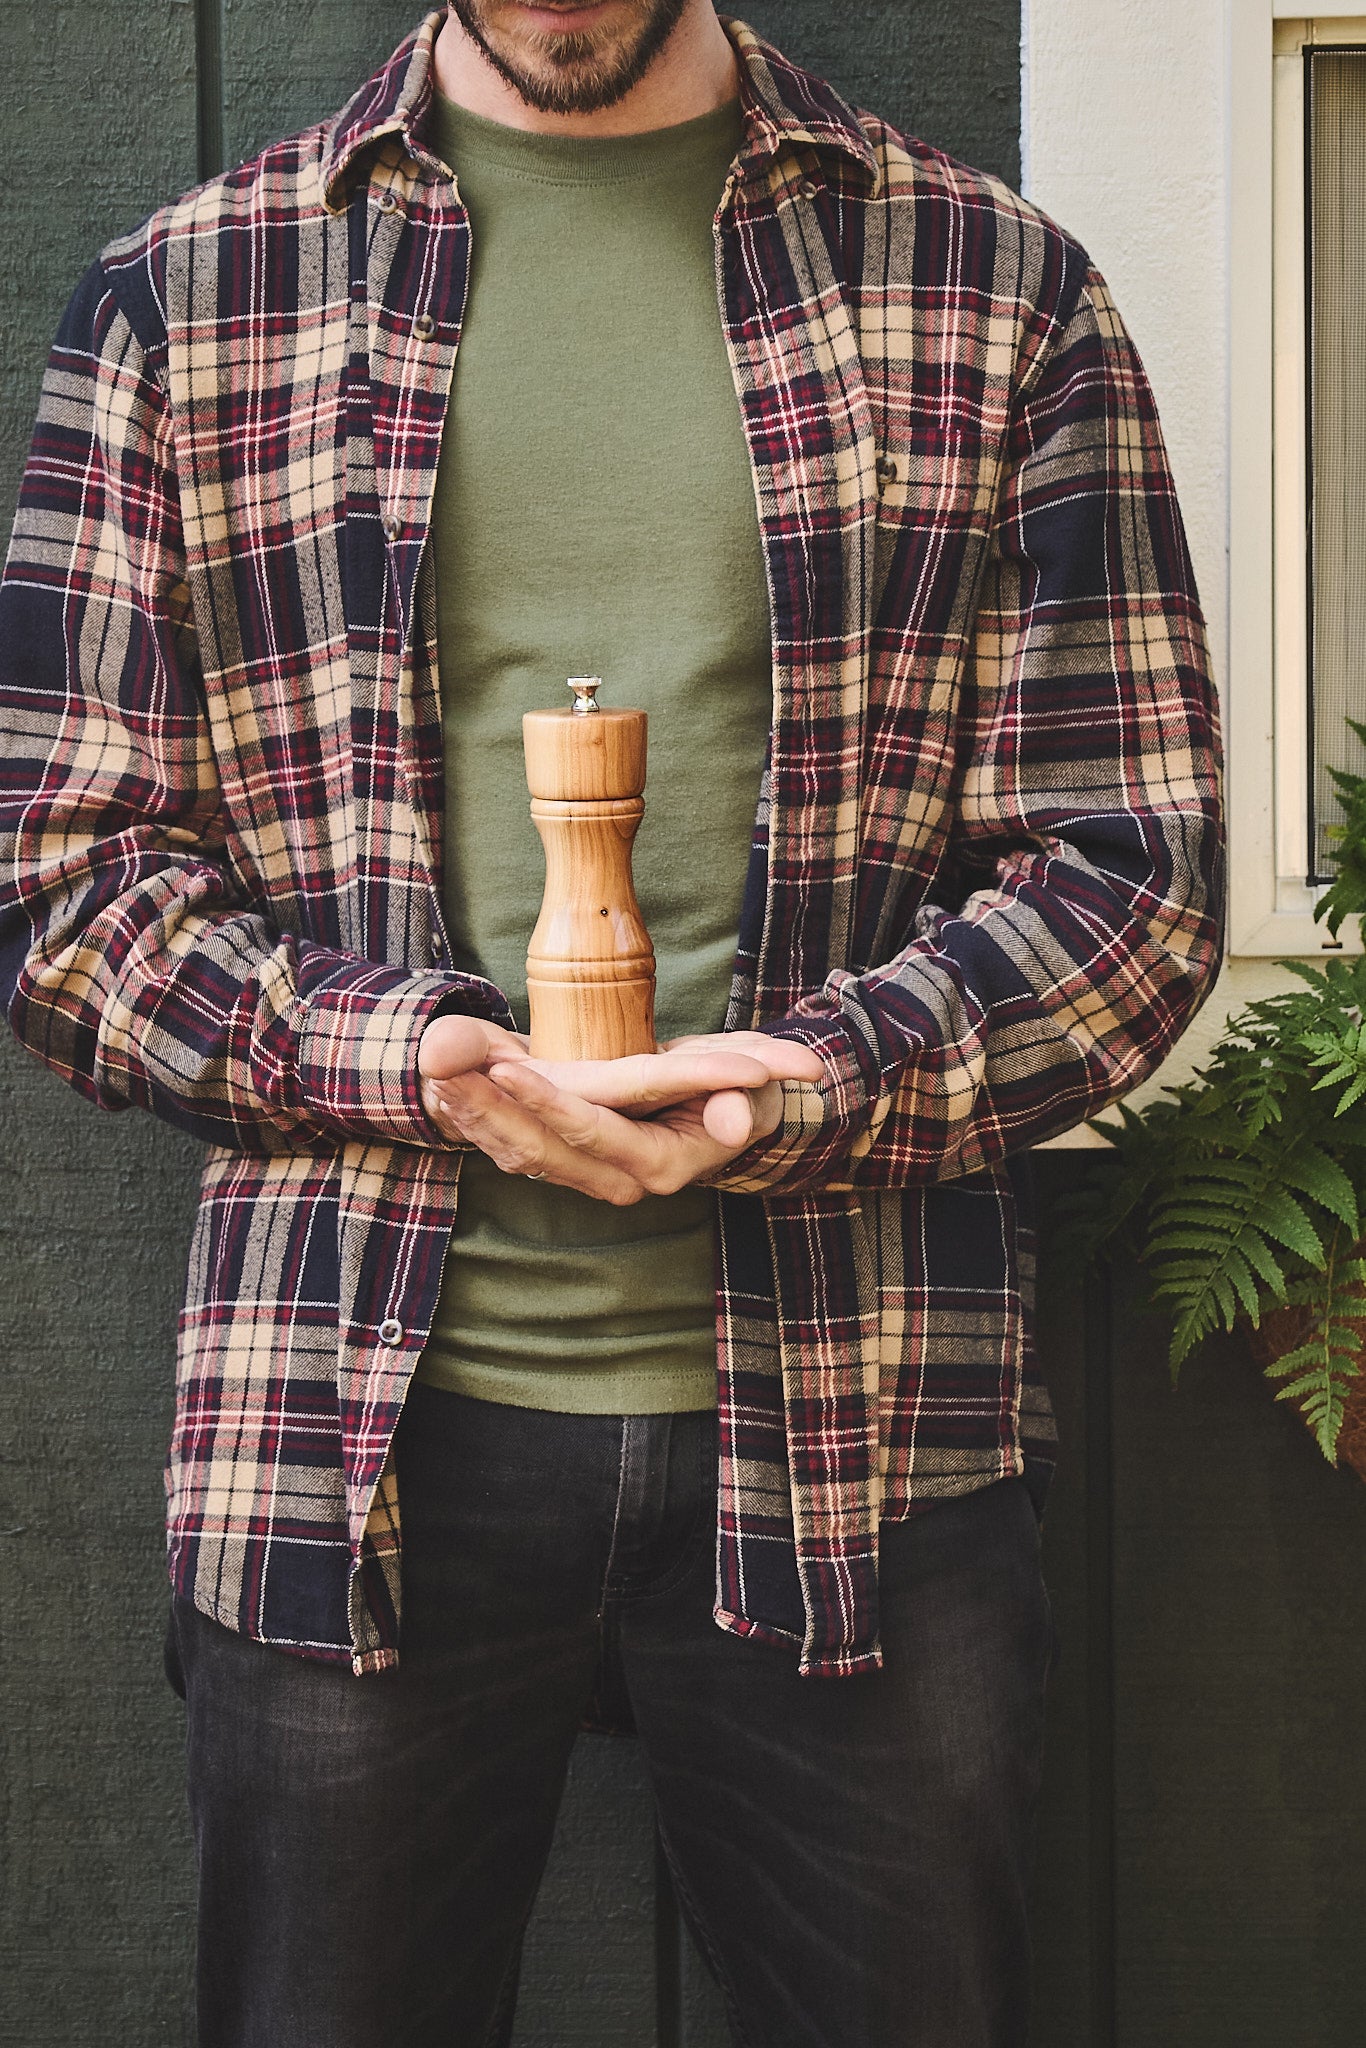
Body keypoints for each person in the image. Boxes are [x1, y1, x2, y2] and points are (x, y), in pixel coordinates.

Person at [0, 3, 1223, 2043]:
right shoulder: (189, 297)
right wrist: (406, 1062)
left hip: (862, 1443)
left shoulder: (991, 286)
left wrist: (817, 1084)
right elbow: (59, 887)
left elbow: (1127, 880)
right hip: (343, 1442)